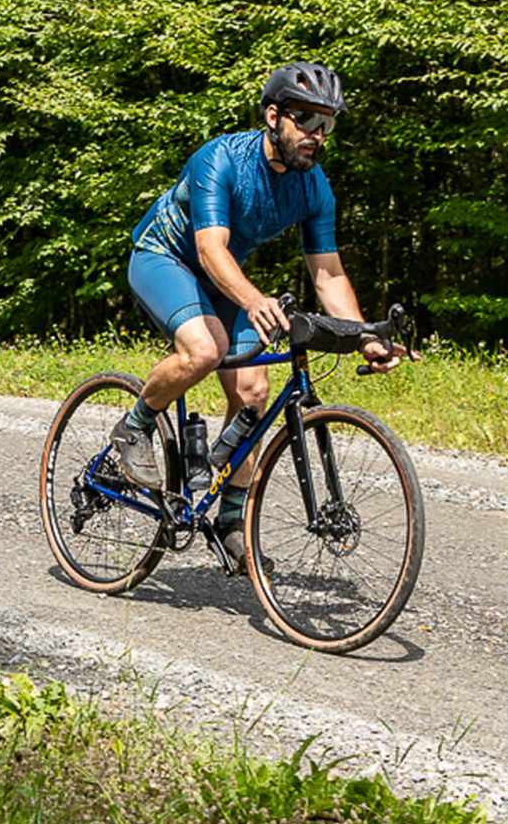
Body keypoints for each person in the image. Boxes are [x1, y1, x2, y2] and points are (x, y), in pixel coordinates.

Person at [112, 61, 408, 566]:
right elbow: (209, 250)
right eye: (306, 121)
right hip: (165, 259)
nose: (316, 135)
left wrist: (363, 335)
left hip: (222, 275)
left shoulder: (314, 188)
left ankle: (229, 520)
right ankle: (134, 427)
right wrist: (253, 300)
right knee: (205, 351)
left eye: (326, 125)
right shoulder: (220, 160)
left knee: (252, 393)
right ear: (274, 115)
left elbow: (328, 274)